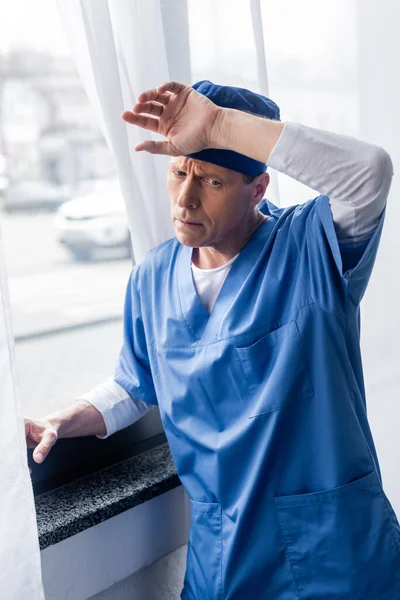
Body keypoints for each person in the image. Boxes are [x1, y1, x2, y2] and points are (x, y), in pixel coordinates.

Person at [26, 80, 400, 599]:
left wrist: (221, 126)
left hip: (332, 554)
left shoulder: (312, 246)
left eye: (213, 181)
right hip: (221, 556)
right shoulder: (153, 276)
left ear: (259, 188)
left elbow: (371, 171)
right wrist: (64, 419)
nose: (185, 198)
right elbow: (138, 385)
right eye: (178, 173)